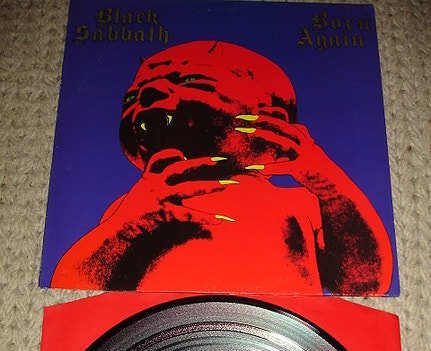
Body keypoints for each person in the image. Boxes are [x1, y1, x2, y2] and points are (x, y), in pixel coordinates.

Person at [51, 40, 393, 294]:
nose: (150, 95)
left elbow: (365, 282)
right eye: (133, 96)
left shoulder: (298, 204)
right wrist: (130, 226)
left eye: (194, 82)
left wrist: (328, 185)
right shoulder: (137, 208)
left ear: (273, 122)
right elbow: (75, 284)